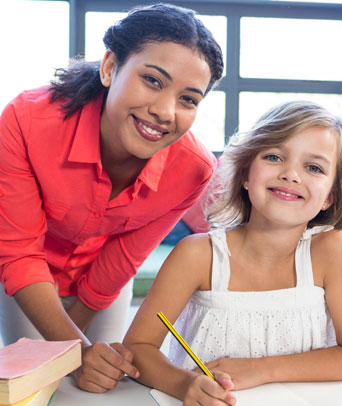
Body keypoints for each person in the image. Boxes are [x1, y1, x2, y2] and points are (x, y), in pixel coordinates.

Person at [0, 3, 223, 393]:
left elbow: (123, 258)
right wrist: (74, 351)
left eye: (188, 99)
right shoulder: (25, 120)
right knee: (35, 385)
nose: (164, 111)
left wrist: (82, 350)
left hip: (100, 281)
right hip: (26, 274)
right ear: (109, 67)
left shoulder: (193, 169)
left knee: (98, 386)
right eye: (153, 80)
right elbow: (20, 255)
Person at [124, 100, 342, 405]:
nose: (291, 174)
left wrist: (259, 370)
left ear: (330, 197)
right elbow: (138, 346)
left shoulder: (334, 252)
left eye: (313, 167)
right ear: (245, 174)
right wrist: (184, 384)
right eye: (273, 156)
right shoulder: (197, 255)